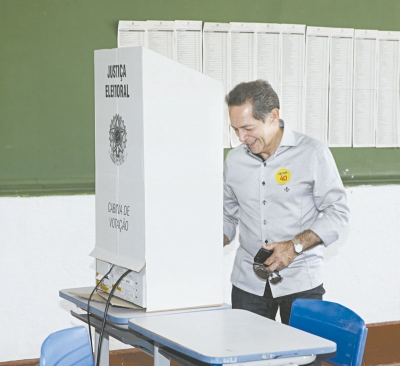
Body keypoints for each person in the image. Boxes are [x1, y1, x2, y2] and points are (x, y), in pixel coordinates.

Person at [223, 79, 350, 325]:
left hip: (301, 282)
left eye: (247, 128)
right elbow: (227, 216)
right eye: (235, 129)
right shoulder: (234, 160)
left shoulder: (312, 153)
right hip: (247, 284)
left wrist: (294, 246)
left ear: (273, 116)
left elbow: (338, 212)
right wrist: (199, 249)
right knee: (249, 360)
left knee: (306, 359)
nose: (241, 137)